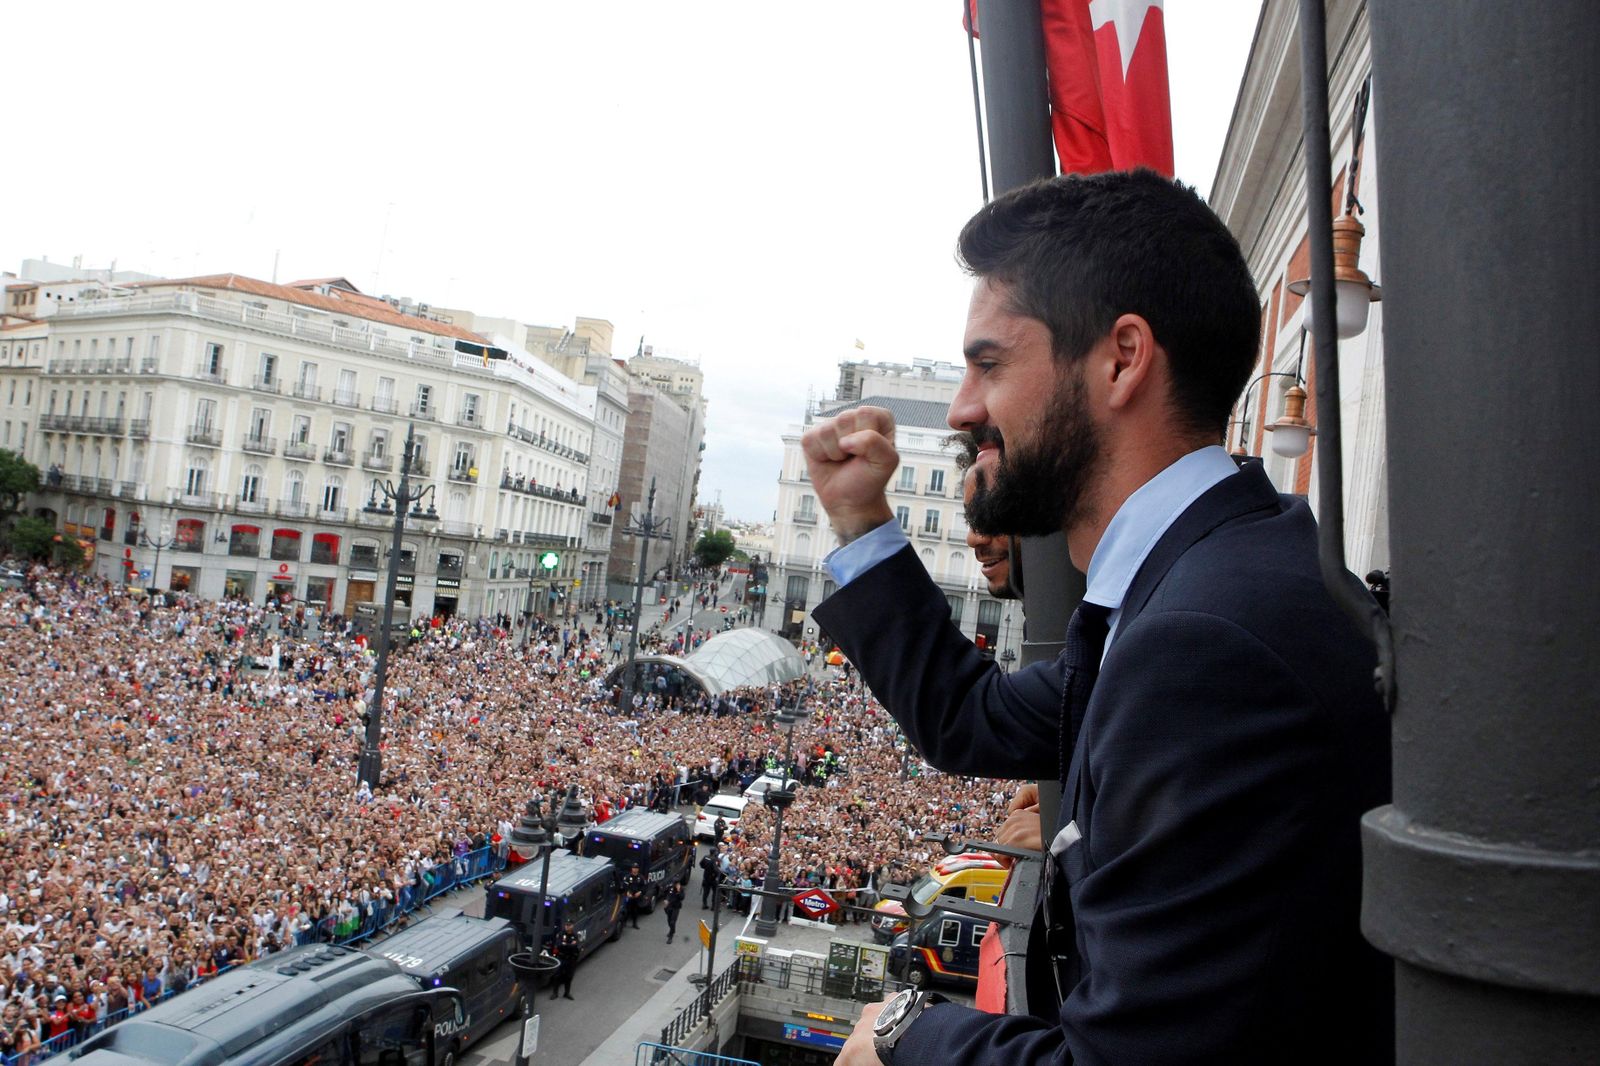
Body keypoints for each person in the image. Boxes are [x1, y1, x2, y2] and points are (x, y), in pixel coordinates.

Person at [807, 171, 1391, 1065]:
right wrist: (860, 520)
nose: (963, 408)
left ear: (1121, 359)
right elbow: (971, 718)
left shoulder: (1204, 644)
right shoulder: (1209, 578)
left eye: (989, 364)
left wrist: (906, 1034)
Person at [552, 920, 580, 1001]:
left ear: (572, 926)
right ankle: (555, 993)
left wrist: (565, 945)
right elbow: (559, 945)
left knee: (569, 976)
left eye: (569, 925)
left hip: (571, 959)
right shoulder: (561, 934)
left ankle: (567, 993)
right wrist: (569, 945)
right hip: (561, 957)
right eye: (566, 925)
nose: (567, 926)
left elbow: (574, 946)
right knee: (557, 976)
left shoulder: (575, 935)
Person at [619, 864, 646, 931]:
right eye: (634, 868)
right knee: (626, 910)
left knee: (635, 911)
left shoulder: (641, 877)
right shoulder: (627, 877)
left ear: (638, 869)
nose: (635, 869)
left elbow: (644, 887)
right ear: (631, 869)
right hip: (629, 896)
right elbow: (624, 886)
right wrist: (627, 892)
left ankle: (634, 923)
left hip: (636, 897)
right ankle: (624, 923)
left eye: (636, 868)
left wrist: (640, 892)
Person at [663, 879, 685, 944]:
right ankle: (672, 930)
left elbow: (682, 897)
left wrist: (678, 891)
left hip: (676, 907)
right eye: (675, 884)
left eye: (677, 884)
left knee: (672, 922)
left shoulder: (681, 889)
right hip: (669, 906)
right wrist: (666, 900)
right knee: (669, 921)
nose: (676, 885)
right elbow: (666, 894)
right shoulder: (671, 888)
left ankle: (670, 937)